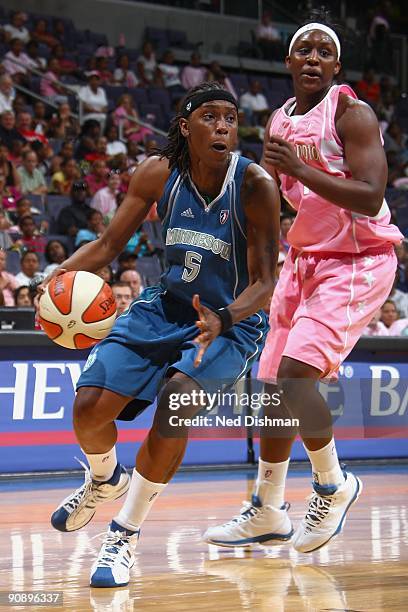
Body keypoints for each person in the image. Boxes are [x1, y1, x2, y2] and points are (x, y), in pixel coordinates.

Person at [40, 82, 279, 588]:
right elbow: (106, 245)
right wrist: (58, 273)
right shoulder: (157, 172)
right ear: (184, 125)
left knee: (175, 402)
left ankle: (123, 534)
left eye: (231, 118)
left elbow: (265, 283)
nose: (223, 126)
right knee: (87, 410)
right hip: (163, 307)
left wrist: (226, 320)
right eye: (210, 116)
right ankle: (104, 478)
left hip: (228, 322)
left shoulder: (255, 184)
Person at [204, 13, 403, 554]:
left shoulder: (351, 113)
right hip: (306, 259)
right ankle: (268, 509)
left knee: (296, 378)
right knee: (272, 389)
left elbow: (368, 192)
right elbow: (292, 198)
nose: (312, 58)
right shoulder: (279, 122)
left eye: (323, 52)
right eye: (303, 50)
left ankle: (333, 484)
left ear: (336, 65)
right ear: (289, 62)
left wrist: (301, 168)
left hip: (357, 259)